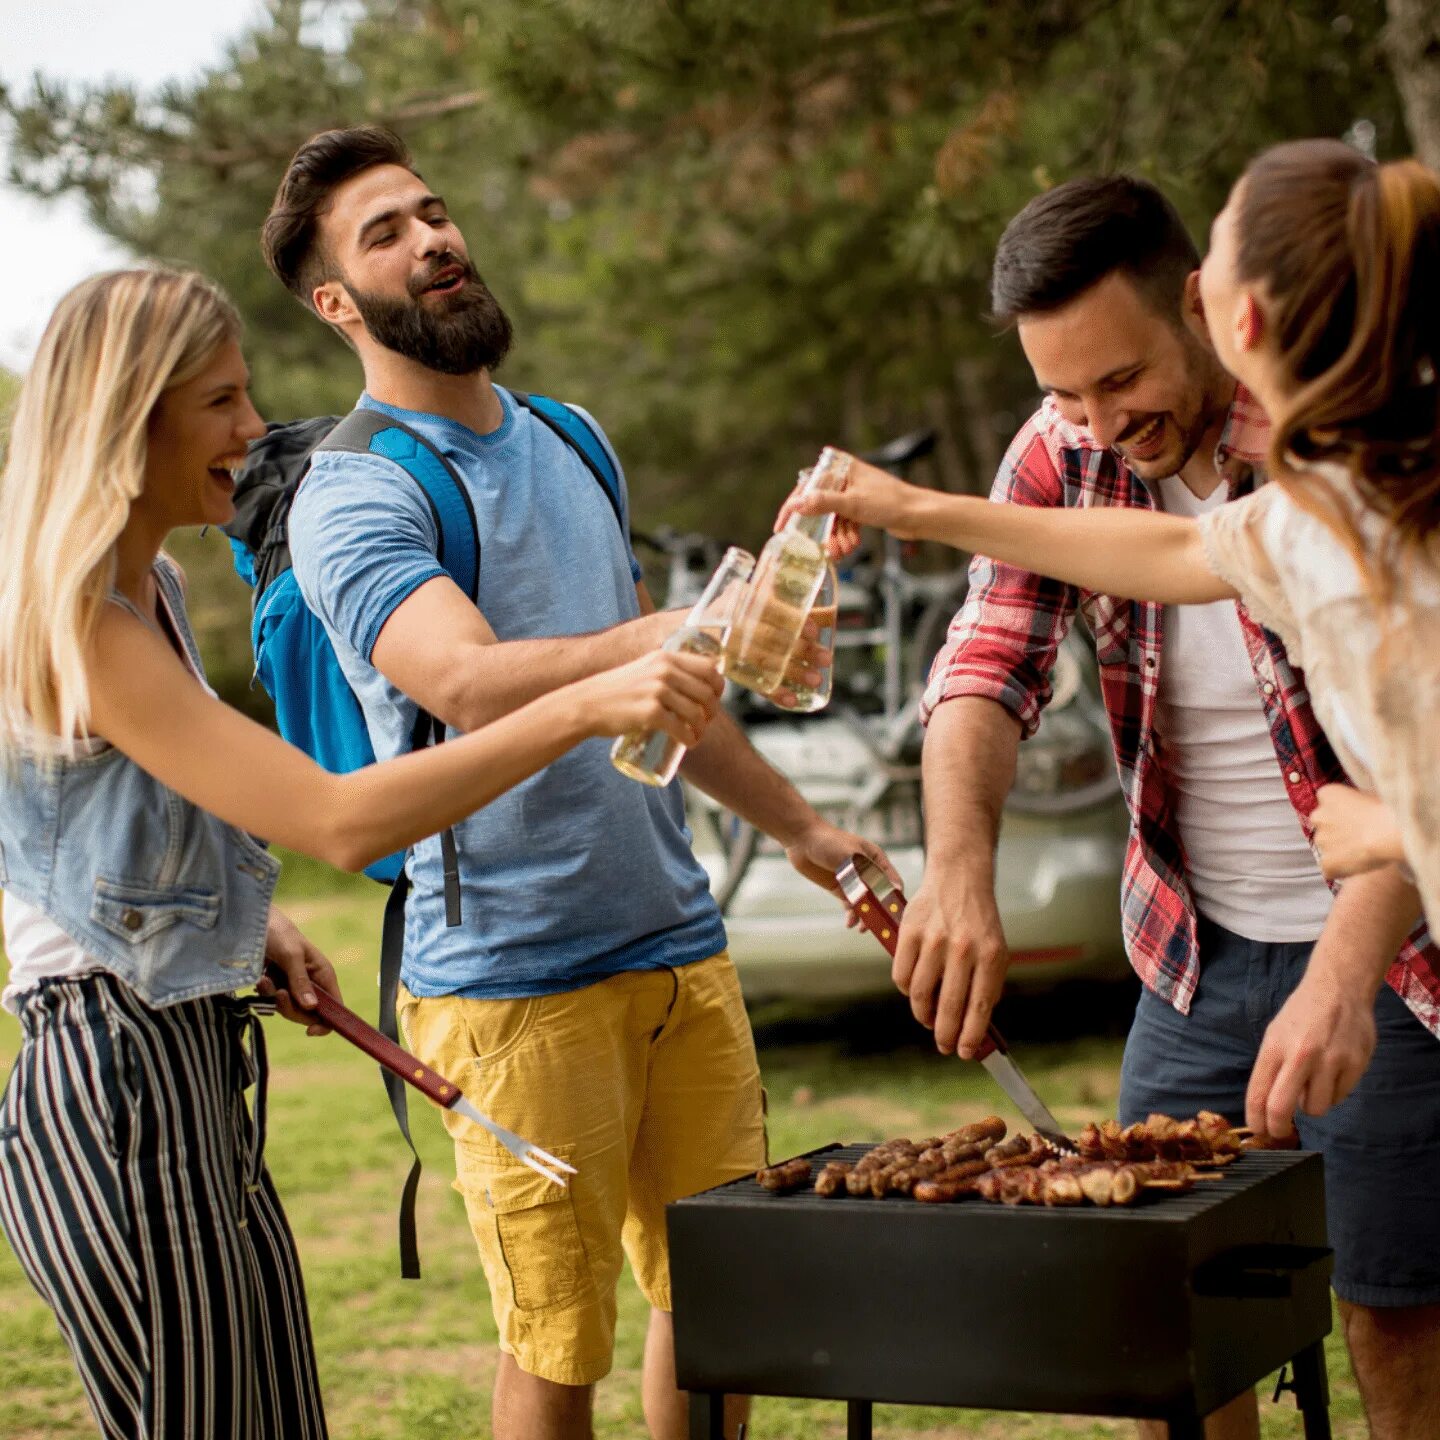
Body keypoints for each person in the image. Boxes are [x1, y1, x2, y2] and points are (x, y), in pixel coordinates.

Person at [0, 267, 726, 1440]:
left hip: (189, 1063)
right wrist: (589, 699)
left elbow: (84, 825)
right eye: (223, 402)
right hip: (111, 1081)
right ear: (133, 420)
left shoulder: (156, 588)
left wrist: (249, 925)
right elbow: (341, 821)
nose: (255, 429)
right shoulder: (74, 619)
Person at [787, 159, 1440, 1440]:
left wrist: (1352, 938)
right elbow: (1002, 651)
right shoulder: (1074, 450)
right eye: (1061, 392)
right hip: (1194, 957)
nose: (1095, 418)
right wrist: (957, 871)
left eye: (1121, 379)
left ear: (1209, 308)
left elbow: (1401, 756)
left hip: (1388, 955)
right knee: (1162, 1330)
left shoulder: (1344, 466)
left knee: (1394, 1314)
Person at [260, 125, 890, 1440]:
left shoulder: (574, 437)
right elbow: (471, 679)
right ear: (334, 302)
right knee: (558, 1347)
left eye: (432, 212)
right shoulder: (352, 493)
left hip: (677, 943)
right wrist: (658, 636)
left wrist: (805, 830)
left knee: (725, 1308)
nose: (432, 238)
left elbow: (667, 689)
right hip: (508, 982)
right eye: (384, 233)